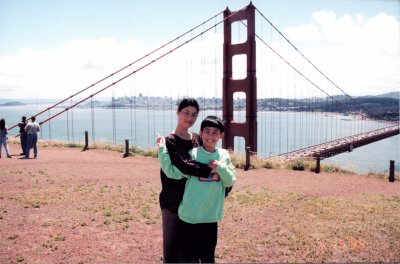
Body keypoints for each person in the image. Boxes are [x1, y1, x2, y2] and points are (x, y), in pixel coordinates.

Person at [157, 115, 236, 263]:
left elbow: (230, 180)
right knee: (189, 258)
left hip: (210, 217)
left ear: (221, 135)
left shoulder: (224, 155)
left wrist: (220, 167)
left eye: (215, 132)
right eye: (207, 131)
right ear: (201, 133)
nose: (211, 136)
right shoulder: (193, 154)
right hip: (189, 216)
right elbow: (172, 172)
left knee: (208, 258)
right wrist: (162, 149)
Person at [158, 98, 213, 263]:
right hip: (173, 202)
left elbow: (209, 157)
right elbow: (185, 166)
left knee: (191, 251)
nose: (190, 118)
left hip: (194, 202)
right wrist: (212, 171)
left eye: (194, 114)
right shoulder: (169, 142)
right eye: (186, 113)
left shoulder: (197, 138)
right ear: (177, 113)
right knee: (173, 253)